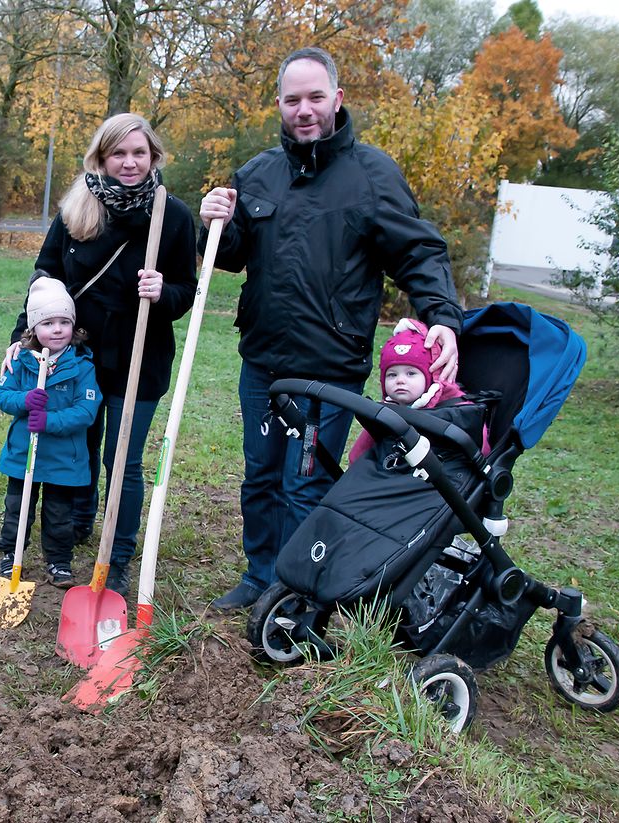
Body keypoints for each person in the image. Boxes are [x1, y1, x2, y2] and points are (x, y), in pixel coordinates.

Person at [198, 46, 464, 611]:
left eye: (316, 97)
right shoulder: (258, 174)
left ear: (337, 100)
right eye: (293, 100)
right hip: (264, 365)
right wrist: (216, 221)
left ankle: (296, 589)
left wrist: (441, 315)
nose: (304, 110)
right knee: (261, 475)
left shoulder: (373, 174)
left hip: (330, 370)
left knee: (306, 483)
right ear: (279, 104)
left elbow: (418, 252)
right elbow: (229, 254)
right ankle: (259, 575)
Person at [3, 112, 198, 597]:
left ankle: (119, 554)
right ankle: (80, 524)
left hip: (140, 357)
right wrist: (21, 335)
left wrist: (163, 292)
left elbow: (187, 290)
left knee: (123, 459)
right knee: (79, 446)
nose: (129, 163)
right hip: (77, 357)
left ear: (153, 157)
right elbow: (45, 275)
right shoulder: (77, 208)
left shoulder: (172, 216)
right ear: (102, 157)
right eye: (119, 153)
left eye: (139, 153)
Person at [0, 277, 102, 588]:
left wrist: (49, 421)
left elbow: (86, 411)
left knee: (59, 515)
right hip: (23, 453)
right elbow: (1, 394)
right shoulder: (22, 361)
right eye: (48, 323)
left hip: (62, 460)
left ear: (73, 327)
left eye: (64, 322)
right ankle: (10, 556)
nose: (57, 329)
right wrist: (25, 401)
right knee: (17, 509)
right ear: (33, 329)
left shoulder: (81, 366)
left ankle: (58, 562)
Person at [348, 318, 480, 464]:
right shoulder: (386, 413)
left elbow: (477, 445)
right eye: (392, 374)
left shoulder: (456, 410)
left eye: (411, 373)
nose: (400, 380)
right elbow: (358, 454)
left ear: (431, 376)